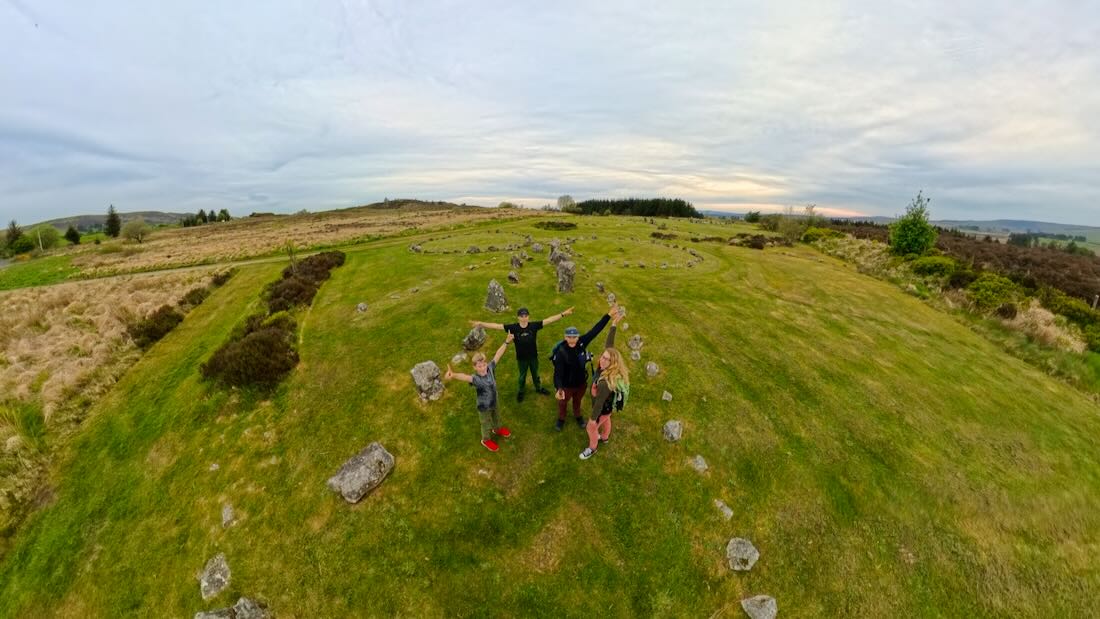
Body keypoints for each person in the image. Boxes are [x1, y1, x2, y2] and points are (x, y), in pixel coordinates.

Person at [470, 306, 574, 402]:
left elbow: (549, 320)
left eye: (526, 316)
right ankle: (521, 391)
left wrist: (563, 314)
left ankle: (538, 388)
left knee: (536, 374)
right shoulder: (513, 328)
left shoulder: (534, 326)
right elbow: (497, 326)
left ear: (528, 317)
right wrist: (481, 324)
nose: (524, 318)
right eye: (521, 316)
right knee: (522, 376)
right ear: (518, 317)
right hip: (521, 359)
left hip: (533, 357)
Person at [549, 306, 617, 431]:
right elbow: (558, 373)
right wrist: (559, 388)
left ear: (578, 337)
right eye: (569, 337)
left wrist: (608, 315)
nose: (572, 339)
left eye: (574, 337)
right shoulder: (561, 352)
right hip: (566, 385)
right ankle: (561, 418)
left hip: (580, 383)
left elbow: (595, 330)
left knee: (577, 401)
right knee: (562, 402)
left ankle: (577, 415)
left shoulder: (581, 342)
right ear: (565, 337)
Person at [444, 333, 514, 452]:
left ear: (486, 363)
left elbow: (498, 354)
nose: (483, 368)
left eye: (484, 365)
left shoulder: (490, 368)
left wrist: (506, 342)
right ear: (475, 368)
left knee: (497, 416)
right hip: (484, 406)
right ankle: (486, 440)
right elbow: (465, 377)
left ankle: (497, 429)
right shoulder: (475, 379)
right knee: (485, 423)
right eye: (479, 366)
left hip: (494, 400)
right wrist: (454, 375)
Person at [580, 311, 628, 460]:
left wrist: (592, 420)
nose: (602, 360)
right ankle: (605, 437)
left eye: (607, 359)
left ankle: (592, 448)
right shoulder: (611, 369)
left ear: (612, 363)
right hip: (609, 408)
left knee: (591, 428)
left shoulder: (605, 383)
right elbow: (609, 346)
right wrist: (613, 324)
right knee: (607, 419)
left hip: (602, 408)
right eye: (603, 357)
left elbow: (599, 404)